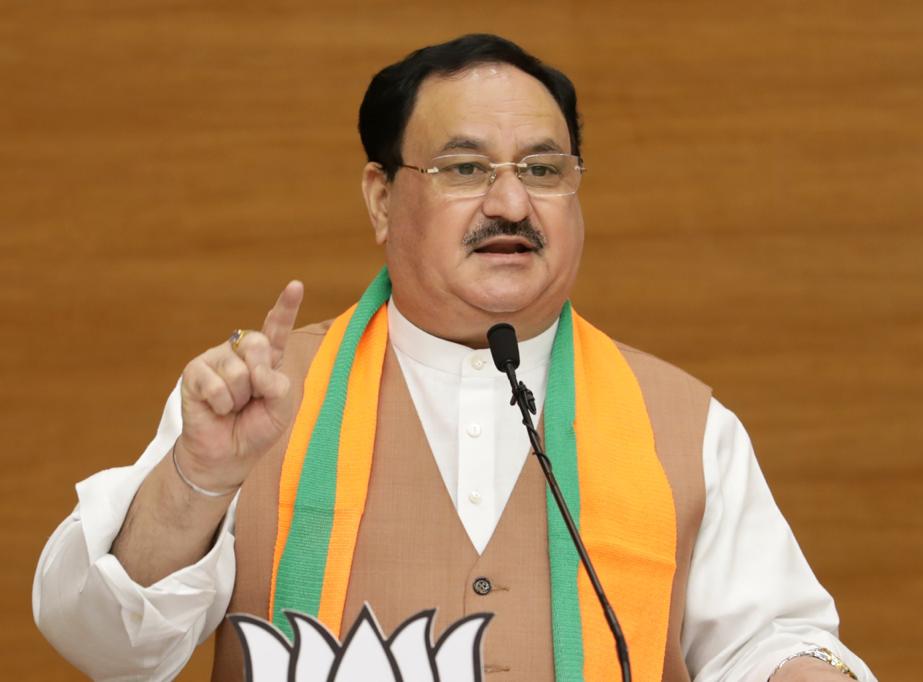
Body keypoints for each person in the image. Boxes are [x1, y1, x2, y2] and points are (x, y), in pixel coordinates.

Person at [33, 34, 876, 681]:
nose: (511, 203)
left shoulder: (685, 424)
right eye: (466, 167)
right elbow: (105, 645)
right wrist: (199, 481)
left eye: (544, 169)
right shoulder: (257, 404)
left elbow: (776, 638)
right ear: (381, 198)